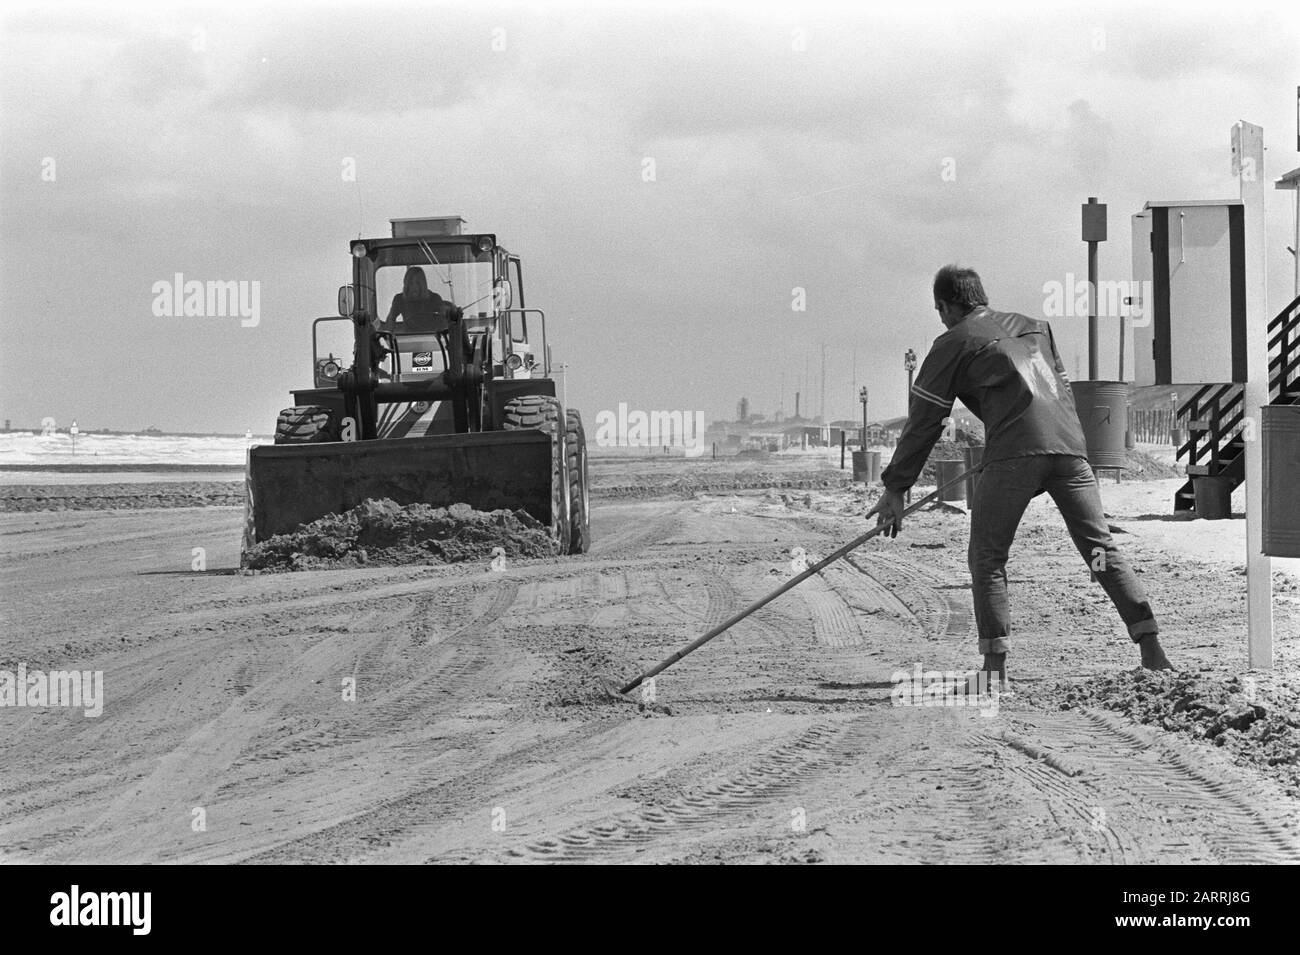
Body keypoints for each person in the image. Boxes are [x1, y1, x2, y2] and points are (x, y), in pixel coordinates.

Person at [867, 265, 1173, 682]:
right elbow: (1060, 389)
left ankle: (994, 669)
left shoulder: (953, 341)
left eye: (940, 310)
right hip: (1070, 452)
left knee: (987, 559)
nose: (941, 317)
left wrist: (895, 487)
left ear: (947, 306)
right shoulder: (1036, 328)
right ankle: (1151, 646)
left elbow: (925, 420)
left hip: (1015, 457)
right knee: (1100, 549)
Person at [380, 266, 448, 334]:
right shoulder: (399, 299)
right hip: (408, 338)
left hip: (432, 338)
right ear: (406, 284)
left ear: (423, 284)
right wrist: (389, 333)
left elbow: (444, 321)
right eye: (411, 283)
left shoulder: (434, 298)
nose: (414, 287)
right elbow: (391, 319)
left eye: (418, 283)